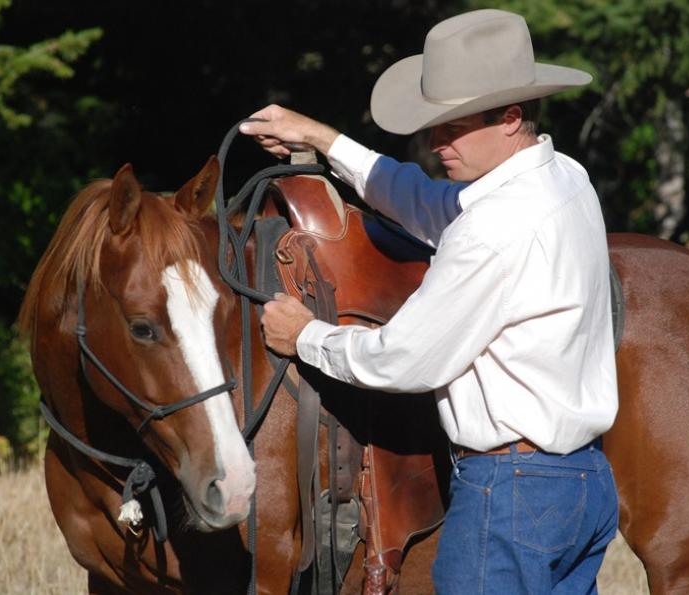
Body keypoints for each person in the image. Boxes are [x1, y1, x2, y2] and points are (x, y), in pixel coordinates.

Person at [241, 9, 619, 595]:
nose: (436, 142)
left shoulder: (496, 226)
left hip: (510, 488)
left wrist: (306, 336)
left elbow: (405, 358)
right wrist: (324, 139)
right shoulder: (564, 177)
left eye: (453, 127)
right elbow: (429, 204)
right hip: (582, 482)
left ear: (511, 117)